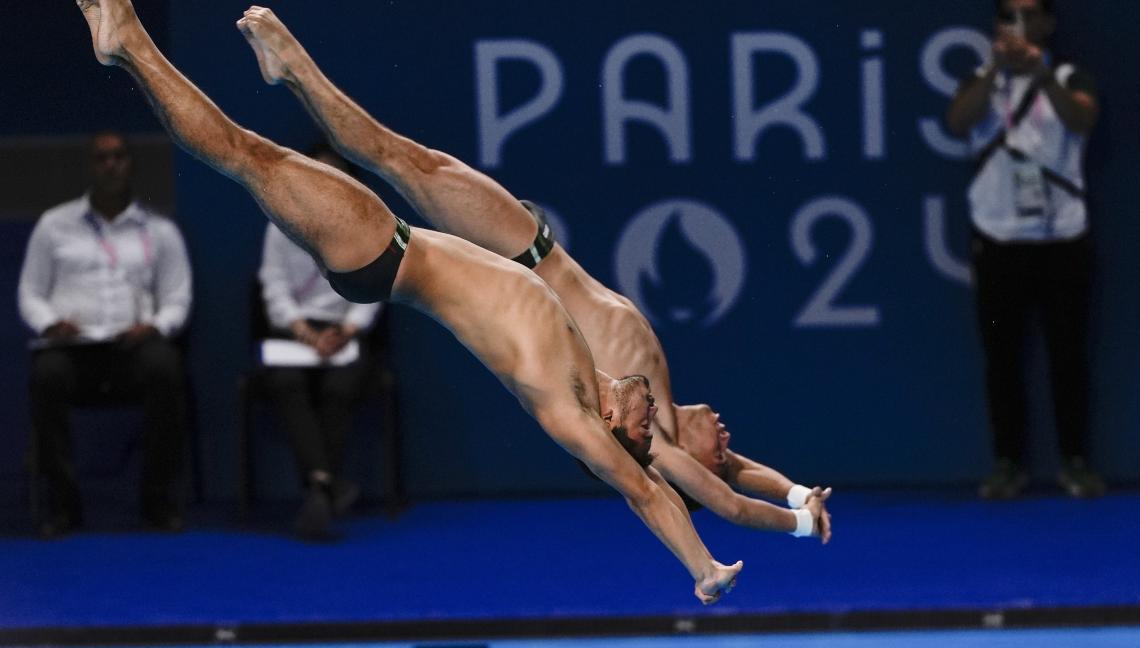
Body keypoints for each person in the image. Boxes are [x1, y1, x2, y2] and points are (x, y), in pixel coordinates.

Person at [74, 0, 750, 603]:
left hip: (383, 257)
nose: (653, 414)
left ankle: (129, 43)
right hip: (395, 245)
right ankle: (286, 65)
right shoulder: (590, 366)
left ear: (615, 433)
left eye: (645, 430)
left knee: (247, 155)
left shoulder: (570, 413)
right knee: (363, 154)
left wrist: (703, 563)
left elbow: (644, 490)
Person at [234, 6, 832, 542]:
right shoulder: (666, 416)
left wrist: (797, 525)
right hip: (532, 246)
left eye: (719, 452)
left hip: (522, 258)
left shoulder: (660, 448)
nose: (728, 442)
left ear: (693, 470)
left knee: (399, 159)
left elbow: (730, 504)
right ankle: (293, 74)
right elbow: (741, 475)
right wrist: (798, 492)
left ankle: (295, 70)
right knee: (405, 160)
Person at [945, 0, 1104, 499]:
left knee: (1068, 354)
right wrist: (996, 69)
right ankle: (1008, 463)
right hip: (998, 235)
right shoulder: (980, 78)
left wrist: (1041, 72)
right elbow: (957, 121)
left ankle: (1075, 462)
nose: (1017, 23)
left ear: (1047, 24)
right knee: (1002, 358)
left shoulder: (1072, 74)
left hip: (1062, 236)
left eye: (1028, 13)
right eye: (1007, 15)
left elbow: (1080, 121)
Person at [18, 130, 192, 536]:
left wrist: (155, 326)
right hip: (74, 351)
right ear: (90, 167)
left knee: (166, 367)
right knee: (46, 375)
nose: (111, 164)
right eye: (102, 158)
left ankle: (157, 501)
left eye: (118, 156)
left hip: (133, 349)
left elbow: (178, 299)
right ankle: (63, 505)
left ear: (131, 164)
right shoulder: (54, 226)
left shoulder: (159, 231)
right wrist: (49, 323)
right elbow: (30, 293)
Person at [257, 144, 383, 538]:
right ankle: (325, 485)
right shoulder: (279, 222)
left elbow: (376, 287)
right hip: (297, 333)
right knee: (284, 381)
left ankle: (318, 487)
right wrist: (306, 334)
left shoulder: (367, 225)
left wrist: (346, 331)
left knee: (340, 387)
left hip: (345, 331)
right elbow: (273, 285)